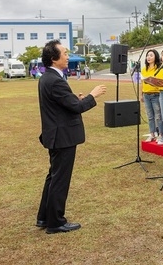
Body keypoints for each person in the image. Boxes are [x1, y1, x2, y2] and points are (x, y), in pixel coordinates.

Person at [36, 39, 107, 234]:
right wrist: (93, 95)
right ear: (53, 58)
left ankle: (44, 217)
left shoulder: (48, 78)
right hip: (62, 137)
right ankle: (55, 222)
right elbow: (76, 108)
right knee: (59, 179)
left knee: (53, 177)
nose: (68, 57)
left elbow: (64, 105)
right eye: (65, 53)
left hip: (57, 135)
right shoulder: (55, 80)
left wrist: (75, 99)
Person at [141, 49, 162, 143]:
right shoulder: (144, 69)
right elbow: (142, 82)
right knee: (150, 116)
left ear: (155, 57)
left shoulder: (159, 69)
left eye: (151, 55)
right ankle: (152, 134)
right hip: (146, 94)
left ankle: (160, 134)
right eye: (147, 55)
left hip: (156, 94)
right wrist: (141, 94)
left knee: (158, 116)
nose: (148, 57)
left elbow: (160, 82)